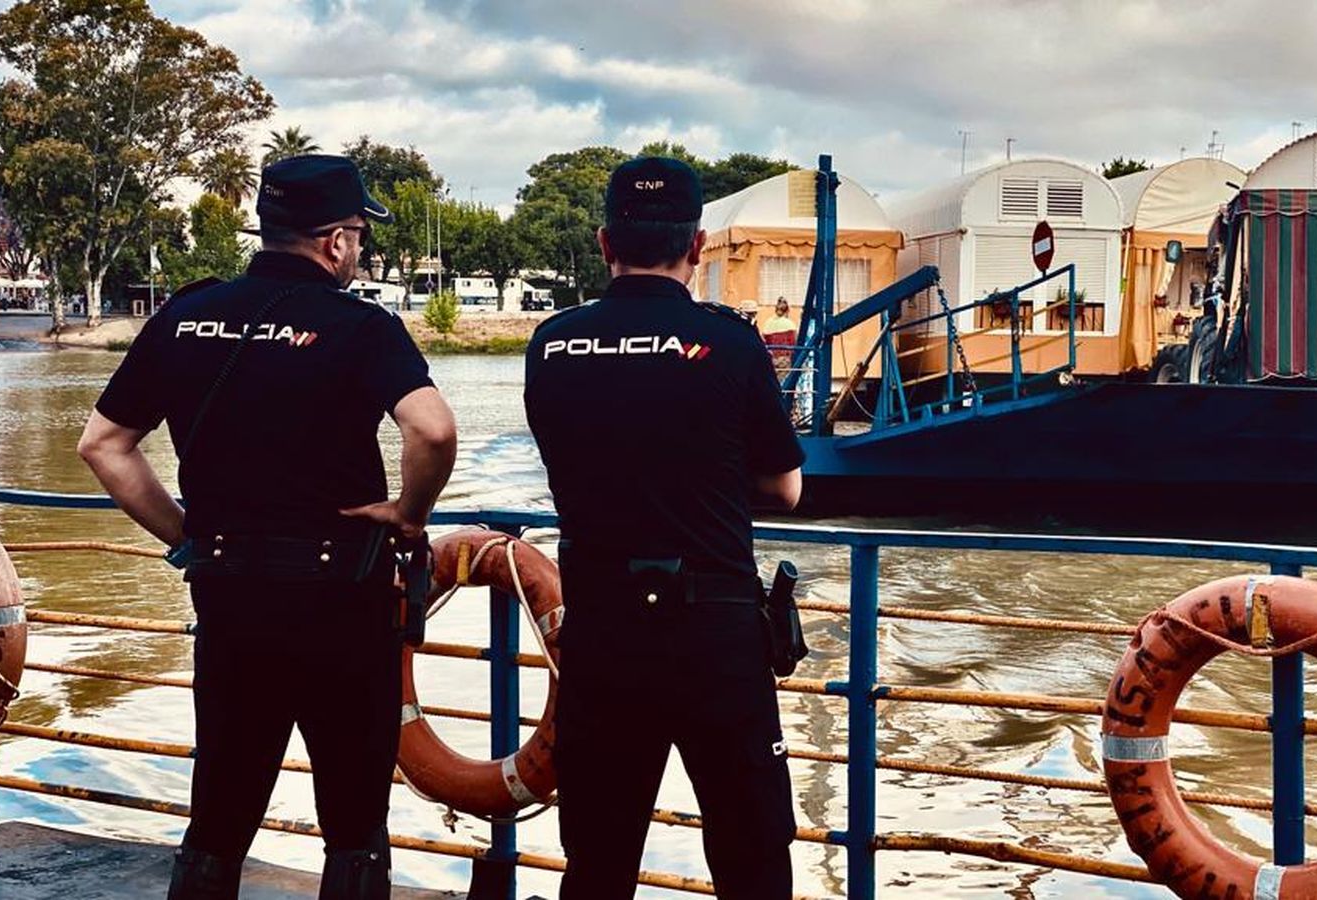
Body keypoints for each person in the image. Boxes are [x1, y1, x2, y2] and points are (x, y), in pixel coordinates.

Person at [77, 155, 458, 900]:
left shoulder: (183, 316)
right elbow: (433, 430)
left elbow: (103, 445)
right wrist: (409, 516)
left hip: (229, 599)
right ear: (337, 241)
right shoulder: (361, 327)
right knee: (353, 821)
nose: (359, 250)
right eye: (359, 235)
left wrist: (185, 535)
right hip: (341, 602)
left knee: (220, 811)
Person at [525, 156, 804, 899]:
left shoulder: (552, 343)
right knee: (752, 851)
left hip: (604, 631)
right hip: (715, 635)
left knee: (598, 856)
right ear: (698, 245)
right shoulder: (731, 342)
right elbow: (785, 487)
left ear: (604, 243)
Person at [760, 296, 797, 374]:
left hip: (770, 359)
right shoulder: (789, 324)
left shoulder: (768, 323)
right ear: (787, 311)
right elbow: (793, 344)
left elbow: (763, 341)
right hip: (784, 360)